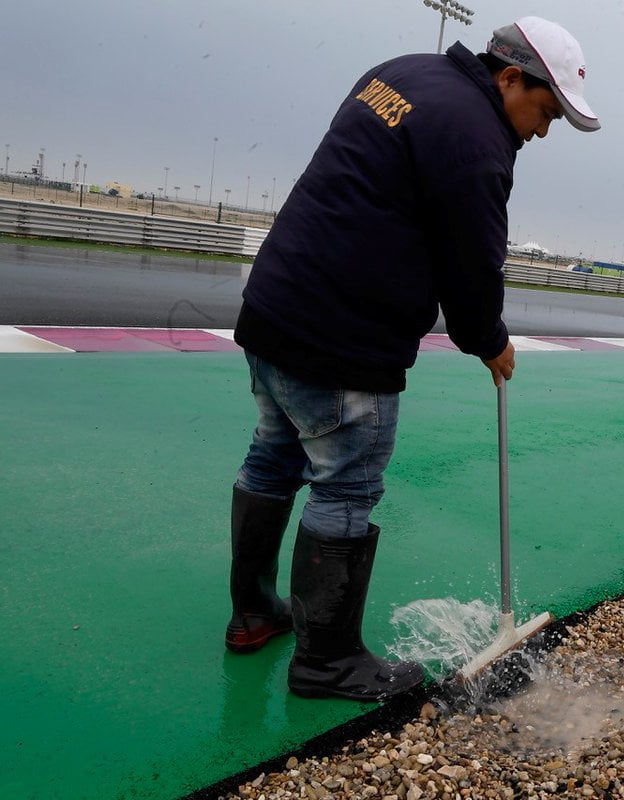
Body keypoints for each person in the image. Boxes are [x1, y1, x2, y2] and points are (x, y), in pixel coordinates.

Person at [222, 17, 599, 701]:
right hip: (342, 338)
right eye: (544, 113)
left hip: (274, 304)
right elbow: (473, 271)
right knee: (345, 487)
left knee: (273, 455)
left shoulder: (401, 71)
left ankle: (252, 614)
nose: (541, 132)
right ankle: (326, 660)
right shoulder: (479, 142)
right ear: (510, 77)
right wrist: (492, 340)